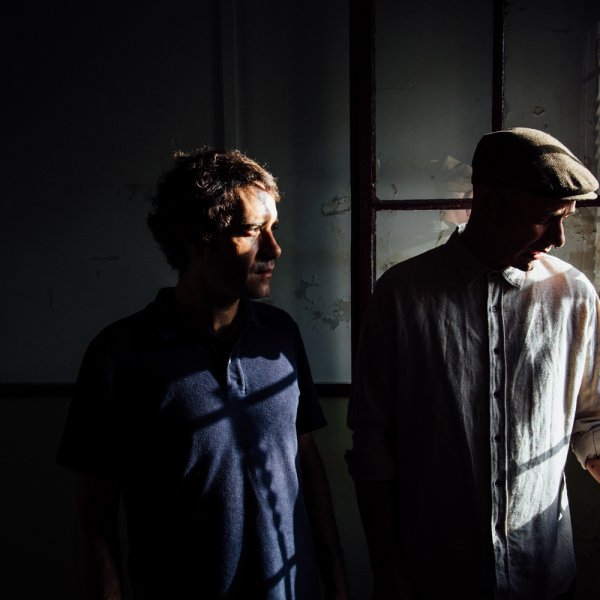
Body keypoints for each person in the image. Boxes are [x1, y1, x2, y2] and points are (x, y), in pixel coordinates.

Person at [58, 148, 348, 600]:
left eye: (273, 228)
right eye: (252, 231)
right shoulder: (119, 354)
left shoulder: (280, 335)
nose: (274, 249)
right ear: (196, 239)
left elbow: (307, 466)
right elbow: (95, 522)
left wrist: (337, 584)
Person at [346, 127, 600, 600]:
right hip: (434, 578)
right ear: (487, 202)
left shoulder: (574, 296)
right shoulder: (402, 296)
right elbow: (372, 444)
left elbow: (590, 421)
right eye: (544, 218)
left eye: (565, 217)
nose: (560, 238)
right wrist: (388, 571)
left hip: (545, 576)